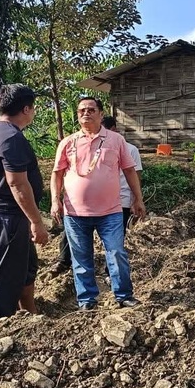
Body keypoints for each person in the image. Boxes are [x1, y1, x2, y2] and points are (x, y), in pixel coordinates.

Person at [51, 98, 145, 310]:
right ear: (77, 115)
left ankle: (123, 295)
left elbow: (130, 170)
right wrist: (55, 201)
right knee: (81, 257)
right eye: (82, 110)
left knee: (116, 252)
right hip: (75, 213)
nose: (86, 113)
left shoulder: (116, 140)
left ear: (101, 114)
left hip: (110, 211)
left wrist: (138, 199)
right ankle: (86, 300)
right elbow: (56, 174)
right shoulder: (68, 142)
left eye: (91, 110)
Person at [0, 84, 49, 324]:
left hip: (9, 216)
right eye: (34, 108)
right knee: (4, 280)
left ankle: (29, 316)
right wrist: (37, 221)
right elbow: (17, 184)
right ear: (26, 109)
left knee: (26, 270)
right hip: (5, 217)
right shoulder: (10, 137)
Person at [55, 115, 142, 275]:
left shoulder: (128, 148)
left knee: (115, 244)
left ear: (113, 130)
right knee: (74, 241)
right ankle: (64, 262)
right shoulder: (78, 144)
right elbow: (62, 173)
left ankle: (111, 274)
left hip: (117, 202)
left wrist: (136, 199)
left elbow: (134, 173)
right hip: (81, 207)